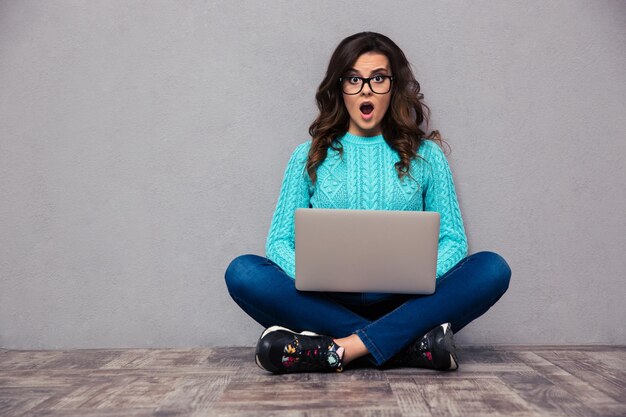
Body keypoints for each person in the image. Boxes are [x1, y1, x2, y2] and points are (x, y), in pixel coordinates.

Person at [225, 31, 511, 374]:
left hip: (408, 302)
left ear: (393, 85)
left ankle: (342, 347)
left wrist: (417, 277)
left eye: (378, 79)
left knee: (492, 268)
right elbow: (279, 244)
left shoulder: (428, 156)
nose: (365, 90)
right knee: (243, 271)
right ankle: (407, 347)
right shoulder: (308, 156)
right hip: (325, 301)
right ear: (339, 87)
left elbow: (453, 240)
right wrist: (314, 277)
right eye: (354, 79)